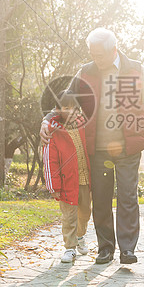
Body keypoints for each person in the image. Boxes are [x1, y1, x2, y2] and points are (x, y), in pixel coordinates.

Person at [41, 28, 144, 265]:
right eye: (92, 54)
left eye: (99, 54)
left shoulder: (136, 69)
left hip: (128, 147)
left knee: (128, 196)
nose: (95, 59)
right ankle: (106, 248)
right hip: (98, 148)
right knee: (100, 198)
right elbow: (65, 102)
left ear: (113, 50)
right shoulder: (85, 72)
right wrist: (46, 120)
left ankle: (128, 249)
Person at [42, 92, 92, 263]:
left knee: (85, 212)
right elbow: (50, 160)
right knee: (69, 216)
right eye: (65, 108)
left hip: (85, 180)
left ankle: (80, 237)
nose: (70, 111)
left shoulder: (83, 125)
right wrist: (53, 186)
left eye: (73, 107)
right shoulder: (53, 131)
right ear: (58, 110)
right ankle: (70, 248)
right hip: (66, 182)